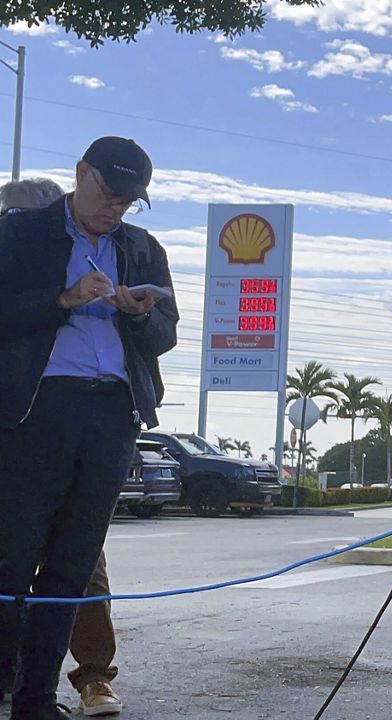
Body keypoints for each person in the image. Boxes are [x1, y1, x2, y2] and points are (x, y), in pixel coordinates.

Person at [0, 137, 178, 720]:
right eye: (109, 195)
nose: (116, 210)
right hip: (37, 409)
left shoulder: (142, 248)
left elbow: (165, 335)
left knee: (74, 564)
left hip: (113, 413)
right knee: (12, 559)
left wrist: (141, 313)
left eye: (129, 203)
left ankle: (35, 700)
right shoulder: (22, 233)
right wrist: (63, 299)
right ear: (81, 174)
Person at [0, 177, 126, 718]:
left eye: (21, 214)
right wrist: (59, 300)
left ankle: (83, 679)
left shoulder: (104, 250)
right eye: (7, 214)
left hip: (74, 427)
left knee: (77, 565)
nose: (12, 223)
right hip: (22, 429)